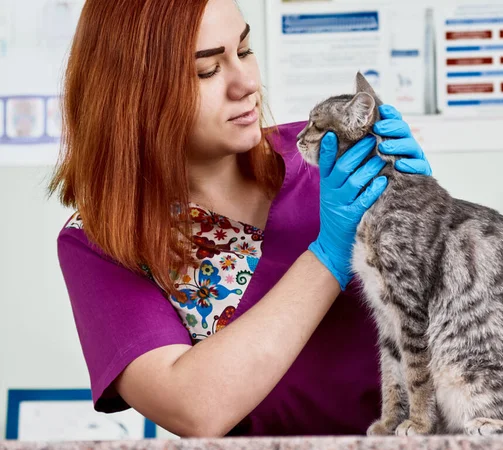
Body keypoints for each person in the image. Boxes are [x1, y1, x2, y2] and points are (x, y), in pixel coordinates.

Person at [49, 0, 432, 438]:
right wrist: (328, 254)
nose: (247, 82)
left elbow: (456, 323)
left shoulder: (330, 158)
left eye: (244, 50)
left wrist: (423, 215)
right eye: (207, 71)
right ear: (133, 96)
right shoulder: (102, 243)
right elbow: (194, 408)